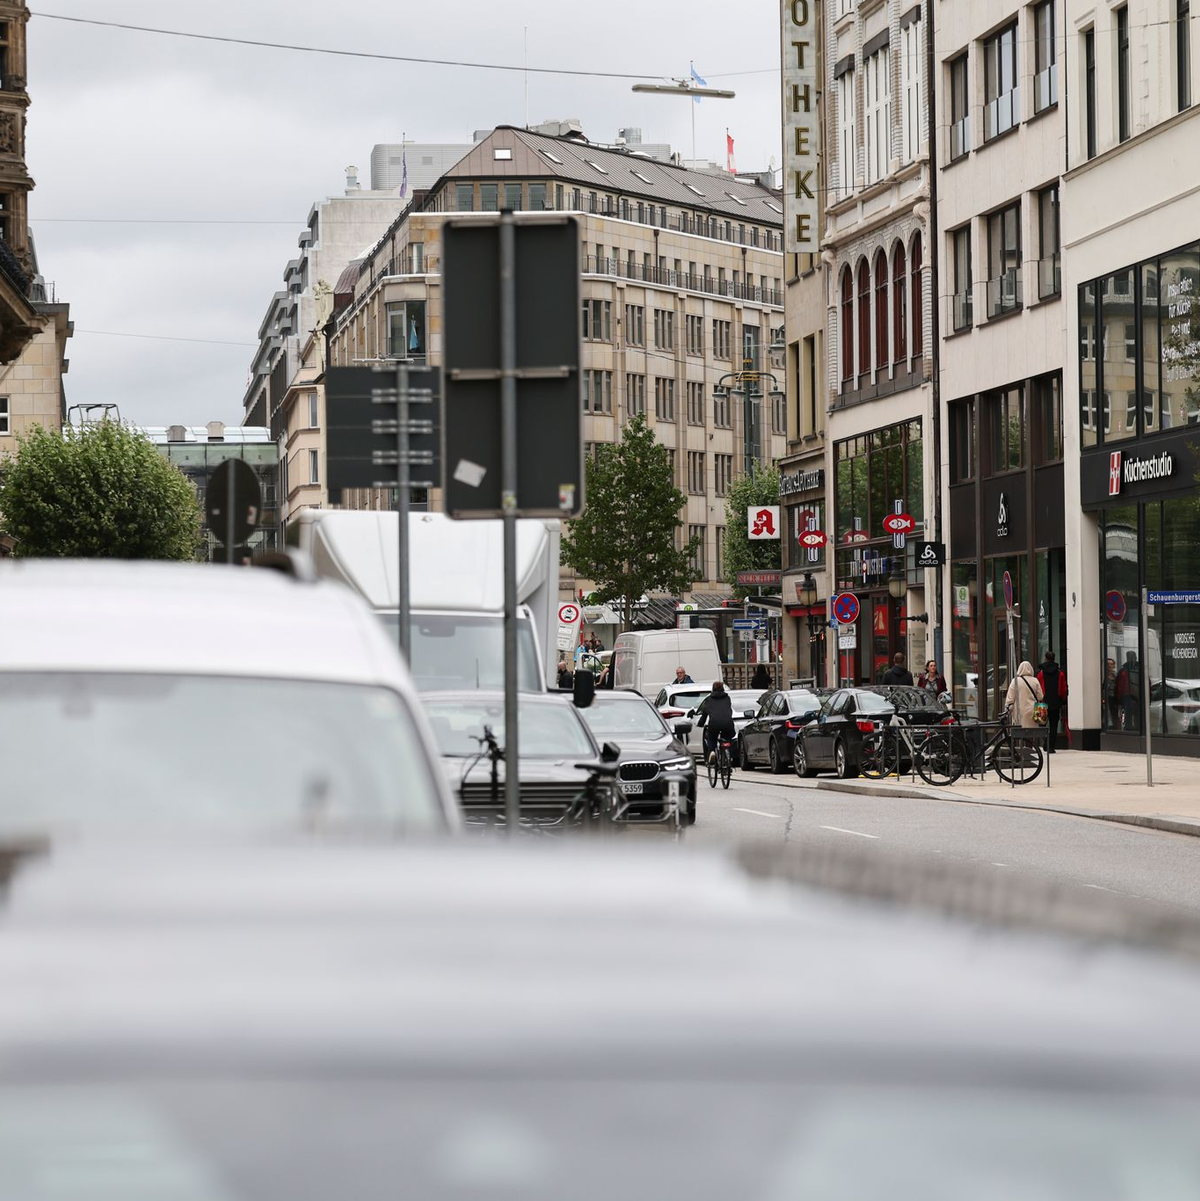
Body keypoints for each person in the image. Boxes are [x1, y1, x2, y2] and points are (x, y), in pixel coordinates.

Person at [695, 681, 736, 764]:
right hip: (727, 723)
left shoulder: (709, 699)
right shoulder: (727, 698)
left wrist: (700, 723)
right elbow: (729, 710)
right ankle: (729, 756)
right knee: (728, 738)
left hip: (714, 724)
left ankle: (712, 752)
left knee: (711, 738)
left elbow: (704, 714)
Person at [1036, 650, 1068, 752]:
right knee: (1054, 725)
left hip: (1042, 702)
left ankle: (1045, 741)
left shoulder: (1040, 673)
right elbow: (1063, 689)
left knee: (1040, 724)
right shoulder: (1060, 673)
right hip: (1056, 702)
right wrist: (1063, 701)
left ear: (1045, 658)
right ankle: (1051, 746)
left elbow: (1037, 688)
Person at [1004, 660, 1045, 729]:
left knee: (1020, 732)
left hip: (1019, 712)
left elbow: (1010, 699)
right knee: (1033, 732)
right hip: (1033, 711)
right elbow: (1040, 697)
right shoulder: (1035, 680)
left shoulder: (1015, 681)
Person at [1103, 657, 1119, 729]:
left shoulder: (1116, 675)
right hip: (1106, 697)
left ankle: (1115, 726)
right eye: (1108, 664)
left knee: (1114, 712)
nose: (1110, 666)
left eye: (1111, 664)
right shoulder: (1103, 675)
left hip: (1114, 697)